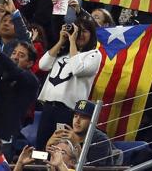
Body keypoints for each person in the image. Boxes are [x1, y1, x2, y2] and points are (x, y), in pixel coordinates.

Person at [36, 18, 102, 148]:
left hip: (68, 111)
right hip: (48, 107)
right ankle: (38, 167)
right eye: (77, 31)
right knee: (41, 146)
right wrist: (62, 41)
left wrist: (72, 41)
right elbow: (42, 65)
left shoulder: (93, 54)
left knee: (59, 147)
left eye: (85, 31)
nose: (79, 35)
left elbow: (77, 69)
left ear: (92, 35)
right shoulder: (62, 53)